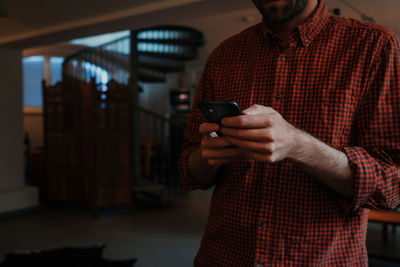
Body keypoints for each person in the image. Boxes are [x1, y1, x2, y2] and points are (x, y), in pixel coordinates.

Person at [179, 0, 400, 266]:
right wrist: (206, 156)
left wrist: (298, 145)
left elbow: (392, 184)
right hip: (222, 257)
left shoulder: (374, 46)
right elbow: (189, 169)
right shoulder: (223, 55)